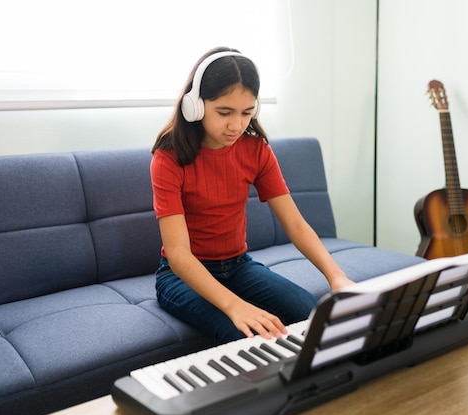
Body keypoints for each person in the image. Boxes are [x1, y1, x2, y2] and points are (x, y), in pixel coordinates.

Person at [150, 46, 355, 344]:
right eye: (224, 112)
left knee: (310, 313)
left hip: (238, 265)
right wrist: (235, 306)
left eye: (246, 113)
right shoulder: (168, 159)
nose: (236, 125)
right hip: (180, 276)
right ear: (194, 105)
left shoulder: (256, 150)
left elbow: (296, 225)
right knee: (242, 332)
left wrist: (336, 277)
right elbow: (179, 255)